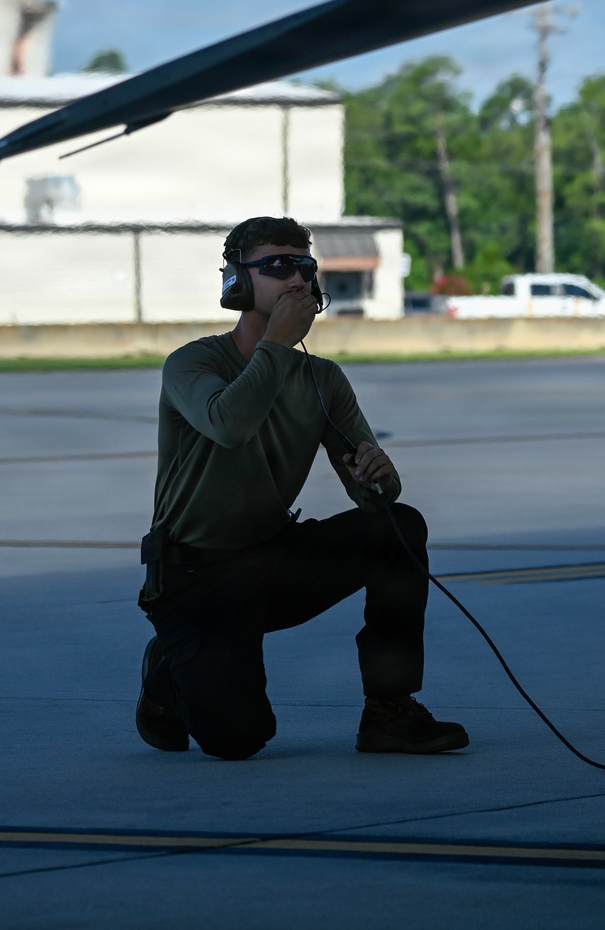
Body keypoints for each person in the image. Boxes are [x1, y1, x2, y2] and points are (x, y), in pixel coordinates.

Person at [135, 215, 469, 761]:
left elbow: (373, 495)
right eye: (276, 267)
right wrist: (277, 343)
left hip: (270, 561)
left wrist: (377, 481)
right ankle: (166, 671)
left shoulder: (322, 379)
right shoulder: (193, 364)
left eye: (305, 267)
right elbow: (229, 424)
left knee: (399, 528)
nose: (296, 280)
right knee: (238, 740)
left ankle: (389, 710)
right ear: (237, 283)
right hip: (196, 574)